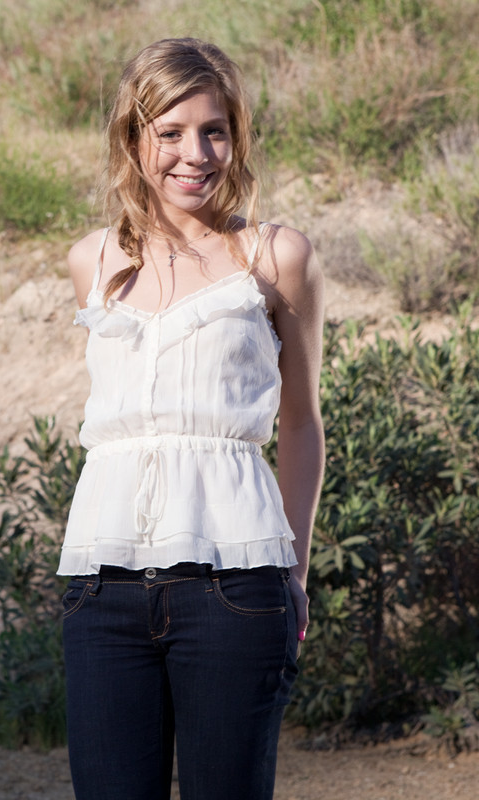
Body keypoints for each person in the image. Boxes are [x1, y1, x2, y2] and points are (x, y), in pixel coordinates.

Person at [59, 37, 326, 800]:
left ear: (236, 137)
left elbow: (302, 425)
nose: (194, 154)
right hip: (99, 590)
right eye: (169, 133)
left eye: (214, 131)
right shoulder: (92, 259)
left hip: (234, 588)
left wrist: (296, 571)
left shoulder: (275, 257)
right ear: (133, 139)